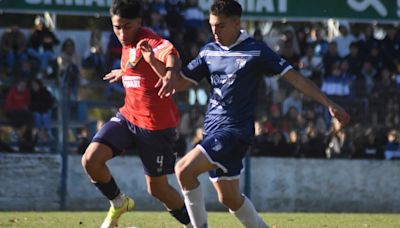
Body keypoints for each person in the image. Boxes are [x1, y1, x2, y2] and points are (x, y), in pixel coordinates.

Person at [173, 0, 350, 227]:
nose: (214, 31)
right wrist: (156, 65)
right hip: (212, 130)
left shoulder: (256, 49)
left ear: (237, 23)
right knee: (229, 199)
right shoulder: (209, 51)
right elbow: (179, 83)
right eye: (212, 25)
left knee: (184, 170)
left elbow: (294, 77)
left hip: (235, 131)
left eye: (220, 26)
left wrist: (328, 102)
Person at [80, 1, 192, 228]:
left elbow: (169, 52)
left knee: (158, 189)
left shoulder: (149, 39)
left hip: (156, 127)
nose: (121, 33)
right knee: (91, 160)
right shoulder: (126, 42)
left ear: (139, 22)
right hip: (128, 117)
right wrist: (124, 71)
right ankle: (119, 202)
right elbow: (136, 63)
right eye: (116, 27)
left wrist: (170, 73)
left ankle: (193, 224)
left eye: (127, 27)